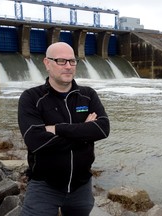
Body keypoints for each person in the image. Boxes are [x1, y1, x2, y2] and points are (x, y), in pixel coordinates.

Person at [18, 42, 110, 216]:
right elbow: (35, 141)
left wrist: (57, 129)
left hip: (81, 186)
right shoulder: (31, 98)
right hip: (44, 186)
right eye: (61, 61)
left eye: (72, 61)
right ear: (47, 63)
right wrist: (84, 131)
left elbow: (103, 129)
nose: (68, 66)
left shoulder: (88, 95)